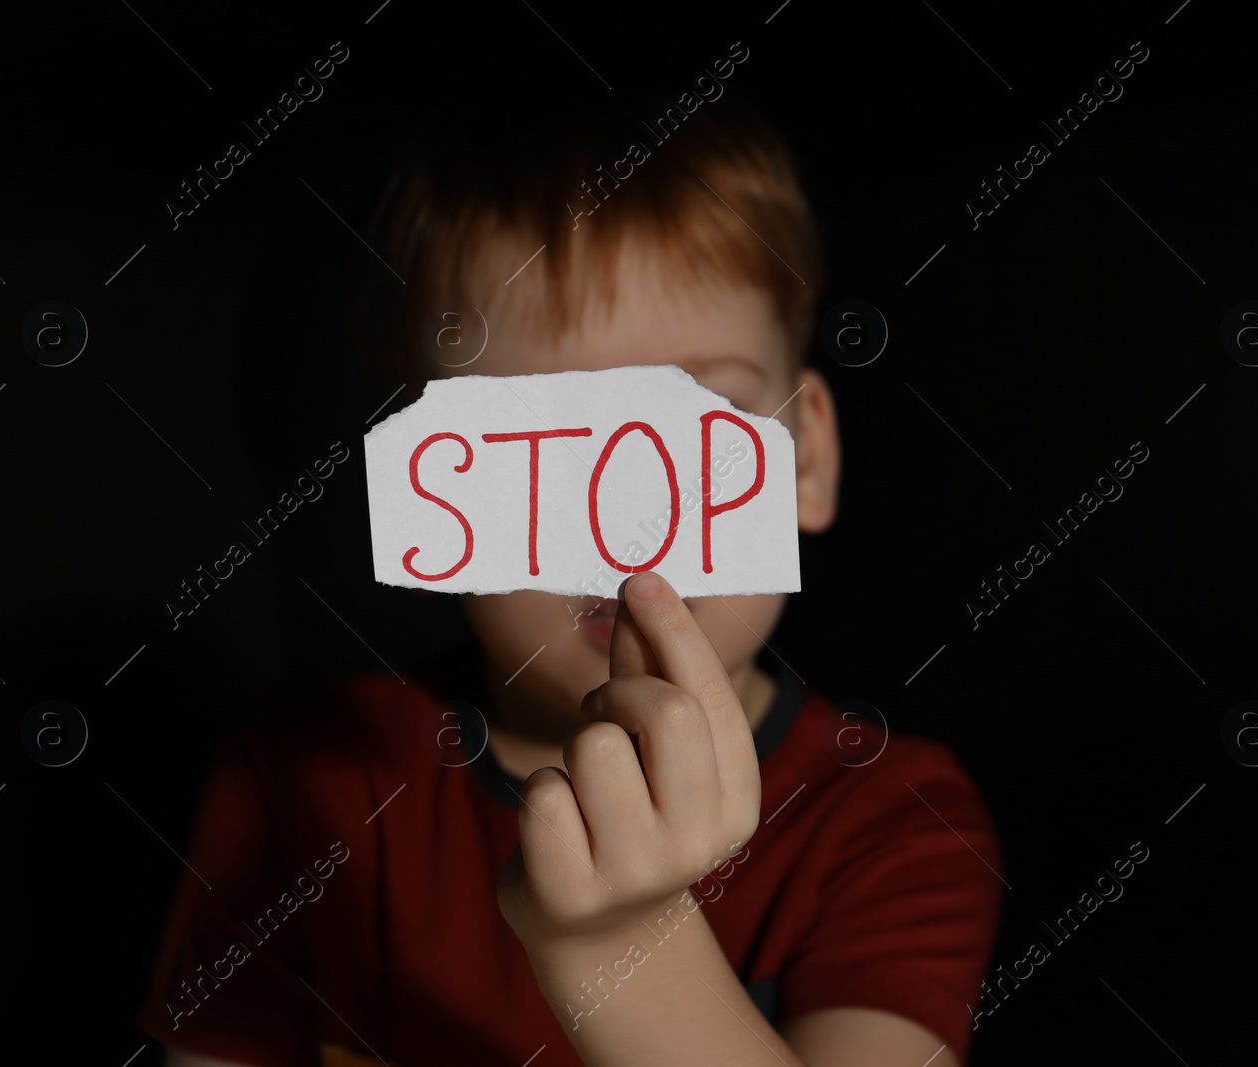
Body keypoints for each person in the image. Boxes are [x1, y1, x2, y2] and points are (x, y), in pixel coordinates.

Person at [135, 65, 1003, 1067]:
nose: (626, 522)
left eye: (697, 420)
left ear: (802, 456)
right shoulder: (297, 776)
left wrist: (620, 945)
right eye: (535, 436)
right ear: (432, 485)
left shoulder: (895, 819)